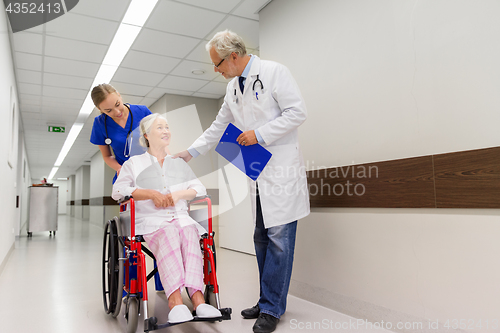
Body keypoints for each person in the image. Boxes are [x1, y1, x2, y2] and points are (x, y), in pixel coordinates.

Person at [174, 30, 310, 333]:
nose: (216, 70)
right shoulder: (233, 88)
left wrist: (259, 134)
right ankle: (266, 301)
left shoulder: (274, 72)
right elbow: (217, 127)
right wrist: (190, 152)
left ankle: (273, 308)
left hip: (281, 172)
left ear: (233, 56)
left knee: (278, 242)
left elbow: (297, 112)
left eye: (218, 63)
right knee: (261, 237)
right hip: (258, 173)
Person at [111, 113, 222, 324]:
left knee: (190, 231)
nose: (166, 131)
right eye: (160, 127)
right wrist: (149, 194)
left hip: (181, 217)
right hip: (153, 222)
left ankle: (198, 300)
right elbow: (118, 191)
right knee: (169, 232)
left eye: (167, 127)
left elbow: (199, 188)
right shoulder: (134, 163)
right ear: (146, 135)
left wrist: (178, 195)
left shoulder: (178, 164)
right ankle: (175, 302)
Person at [90, 83, 152, 183]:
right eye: (109, 110)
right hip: (126, 177)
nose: (117, 112)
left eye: (117, 104)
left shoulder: (142, 112)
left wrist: (168, 162)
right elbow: (107, 156)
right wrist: (122, 169)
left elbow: (160, 142)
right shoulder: (100, 123)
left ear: (119, 95)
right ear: (99, 109)